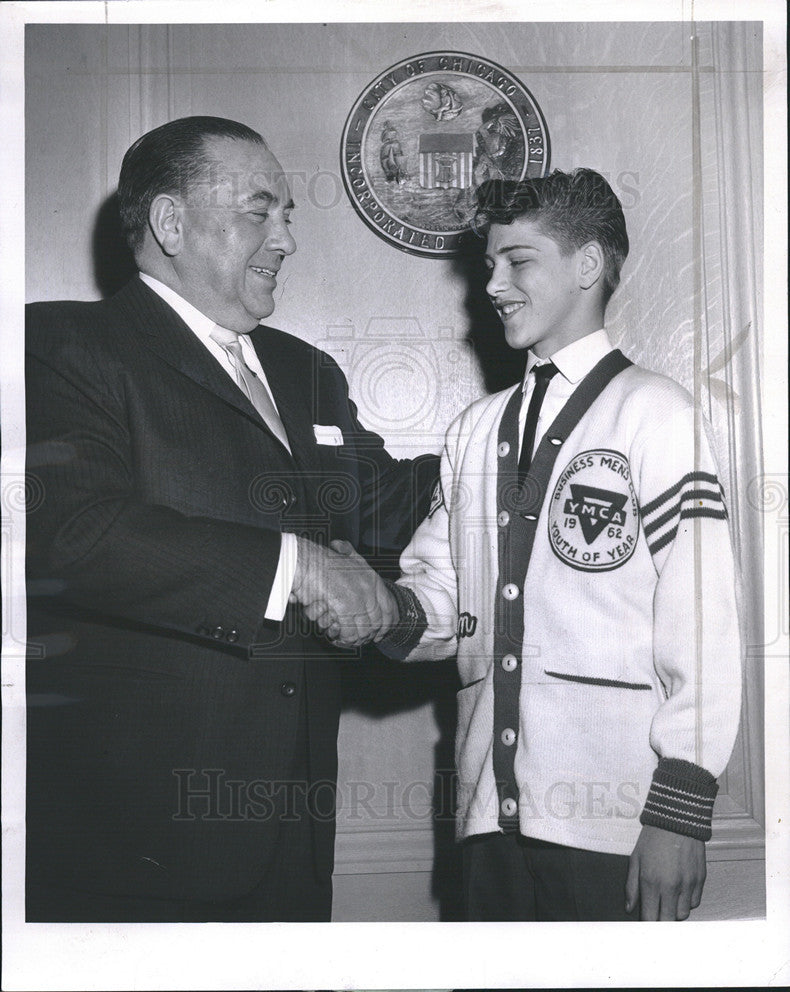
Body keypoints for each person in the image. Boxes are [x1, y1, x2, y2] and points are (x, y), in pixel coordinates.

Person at [24, 115, 437, 922]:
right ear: (172, 223)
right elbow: (72, 533)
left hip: (290, 828)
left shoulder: (304, 368)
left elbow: (385, 503)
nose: (285, 239)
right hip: (138, 842)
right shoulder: (59, 345)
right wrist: (299, 566)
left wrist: (522, 437)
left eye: (288, 213)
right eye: (261, 210)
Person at [324, 169, 743, 921]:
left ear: (587, 265)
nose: (492, 283)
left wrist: (679, 810)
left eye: (517, 261)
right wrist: (383, 609)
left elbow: (702, 620)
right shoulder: (474, 430)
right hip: (488, 817)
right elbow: (445, 594)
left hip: (616, 826)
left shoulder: (656, 414)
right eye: (488, 264)